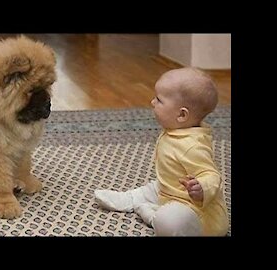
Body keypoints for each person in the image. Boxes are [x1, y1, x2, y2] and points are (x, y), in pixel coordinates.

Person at [94, 67, 229, 236]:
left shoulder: (193, 147)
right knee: (154, 187)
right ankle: (131, 199)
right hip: (171, 190)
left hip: (196, 213)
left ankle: (152, 216)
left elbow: (212, 175)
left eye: (159, 100)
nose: (152, 102)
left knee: (170, 220)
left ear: (181, 115)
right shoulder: (177, 129)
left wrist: (202, 187)